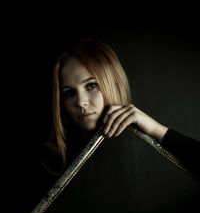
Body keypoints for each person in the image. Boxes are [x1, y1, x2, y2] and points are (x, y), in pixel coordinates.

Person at [42, 38, 200, 180]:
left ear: (113, 84)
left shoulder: (144, 153)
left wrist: (154, 129)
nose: (81, 102)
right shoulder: (52, 163)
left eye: (91, 86)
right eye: (69, 93)